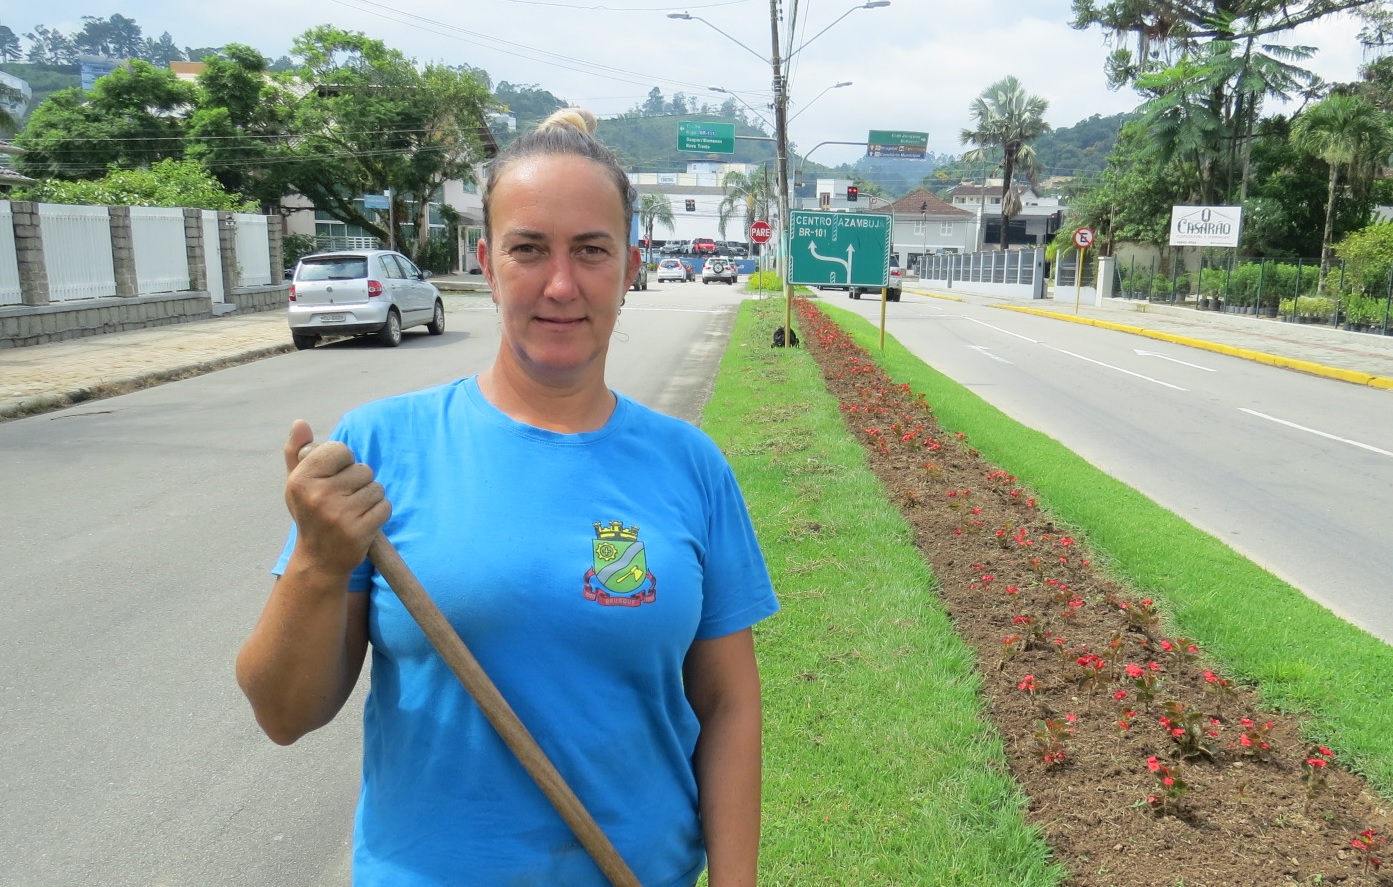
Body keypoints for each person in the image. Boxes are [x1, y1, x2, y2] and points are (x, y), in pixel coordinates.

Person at [235, 108, 779, 887]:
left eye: (591, 251)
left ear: (629, 265)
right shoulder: (381, 448)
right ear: (489, 264)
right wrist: (319, 565)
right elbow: (282, 714)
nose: (561, 284)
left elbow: (727, 705)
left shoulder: (689, 466)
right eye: (529, 249)